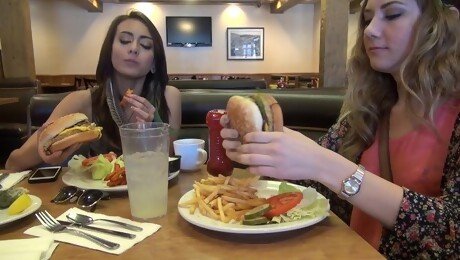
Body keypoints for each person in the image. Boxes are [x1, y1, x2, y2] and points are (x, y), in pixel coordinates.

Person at [220, 0, 459, 258]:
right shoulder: (368, 113)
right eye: (367, 19)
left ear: (439, 24)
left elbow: (451, 234)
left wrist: (325, 165)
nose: (369, 30)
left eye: (392, 14)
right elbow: (313, 186)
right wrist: (260, 149)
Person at [6, 10, 181, 171]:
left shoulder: (169, 96)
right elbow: (13, 164)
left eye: (145, 45)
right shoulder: (80, 101)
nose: (134, 48)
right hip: (97, 201)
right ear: (109, 51)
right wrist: (46, 148)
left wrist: (152, 128)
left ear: (153, 64)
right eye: (125, 40)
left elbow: (172, 160)